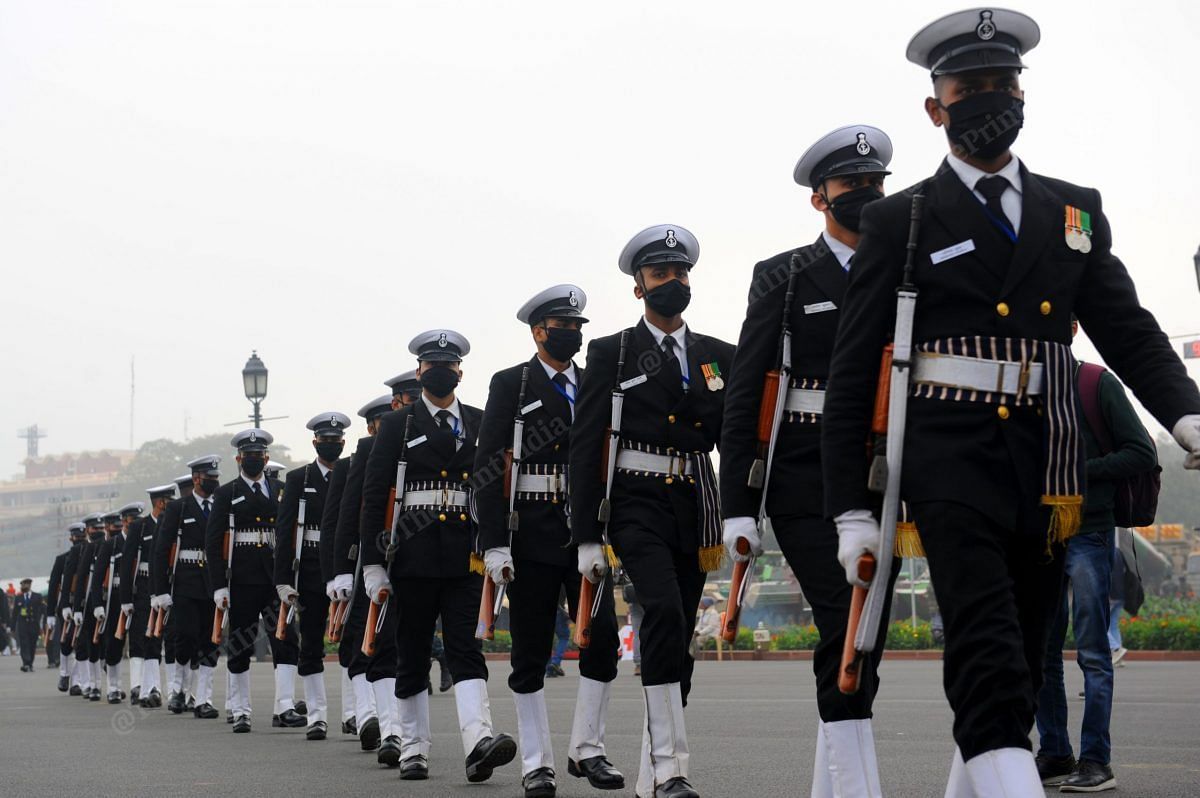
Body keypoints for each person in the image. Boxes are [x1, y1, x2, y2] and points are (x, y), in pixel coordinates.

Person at [820, 8, 1200, 794]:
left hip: (1050, 460)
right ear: (936, 106)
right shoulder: (902, 219)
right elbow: (854, 372)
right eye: (971, 86)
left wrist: (1186, 413)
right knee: (987, 644)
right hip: (946, 454)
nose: (991, 99)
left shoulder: (1074, 208)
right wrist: (850, 509)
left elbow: (1127, 329)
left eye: (1004, 83)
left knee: (1027, 654)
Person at [720, 123, 897, 796]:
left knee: (867, 631)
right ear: (819, 198)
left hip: (880, 471)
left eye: (874, 184)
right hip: (800, 476)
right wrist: (737, 502)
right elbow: (746, 394)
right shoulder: (784, 275)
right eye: (851, 186)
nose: (865, 195)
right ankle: (857, 787)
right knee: (839, 615)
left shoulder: (901, 266)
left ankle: (836, 782)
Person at [570, 224, 736, 798]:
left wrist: (743, 514)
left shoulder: (718, 356)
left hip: (695, 504)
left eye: (680, 272)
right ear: (639, 287)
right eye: (661, 274)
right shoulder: (611, 352)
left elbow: (734, 441)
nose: (674, 282)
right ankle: (672, 767)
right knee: (661, 610)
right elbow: (587, 443)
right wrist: (587, 534)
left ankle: (651, 774)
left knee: (679, 636)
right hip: (634, 500)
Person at [476, 283, 623, 797]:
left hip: (587, 530)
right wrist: (493, 542)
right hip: (532, 531)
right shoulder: (512, 384)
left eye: (577, 327)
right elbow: (489, 467)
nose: (572, 335)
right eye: (562, 327)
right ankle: (536, 762)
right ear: (538, 332)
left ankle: (588, 748)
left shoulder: (596, 382)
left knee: (602, 639)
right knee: (531, 649)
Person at [360, 329, 517, 783]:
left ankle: (478, 743)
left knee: (466, 648)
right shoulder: (398, 425)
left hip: (465, 555)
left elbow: (490, 488)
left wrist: (494, 545)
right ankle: (413, 748)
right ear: (419, 372)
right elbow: (375, 496)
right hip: (411, 554)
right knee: (410, 650)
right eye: (432, 365)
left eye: (448, 365)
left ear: (460, 372)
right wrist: (372, 562)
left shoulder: (479, 420)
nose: (441, 371)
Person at [1036, 320, 1155, 791]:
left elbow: (1141, 452)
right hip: (1039, 537)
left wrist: (1075, 474)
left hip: (1089, 532)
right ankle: (1056, 754)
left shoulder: (1095, 382)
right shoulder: (1021, 389)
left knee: (1092, 652)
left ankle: (1096, 761)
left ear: (1070, 327)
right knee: (1041, 653)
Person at [205, 429, 301, 733]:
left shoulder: (281, 489)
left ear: (267, 458)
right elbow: (213, 542)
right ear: (238, 459)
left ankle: (284, 707)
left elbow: (288, 534)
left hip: (275, 576)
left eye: (258, 455)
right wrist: (219, 585)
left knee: (285, 638)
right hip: (243, 576)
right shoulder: (227, 493)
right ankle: (241, 709)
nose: (253, 459)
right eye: (248, 455)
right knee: (240, 643)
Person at [274, 411, 351, 741]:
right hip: (309, 569)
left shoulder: (350, 474)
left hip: (343, 565)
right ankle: (317, 716)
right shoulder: (298, 479)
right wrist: (282, 580)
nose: (331, 445)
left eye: (337, 441)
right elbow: (284, 529)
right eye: (326, 441)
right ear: (315, 442)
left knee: (351, 644)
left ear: (343, 443)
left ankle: (354, 714)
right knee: (311, 642)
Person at [121, 485, 172, 707]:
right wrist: (125, 599)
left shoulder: (171, 522)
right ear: (160, 502)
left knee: (160, 639)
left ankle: (155, 689)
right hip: (143, 588)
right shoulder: (140, 527)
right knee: (143, 638)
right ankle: (142, 687)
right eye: (169, 500)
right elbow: (126, 564)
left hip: (166, 586)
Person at [71, 513, 107, 701]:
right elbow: (80, 581)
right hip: (91, 603)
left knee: (108, 645)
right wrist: (77, 608)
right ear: (88, 531)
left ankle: (111, 686)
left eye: (101, 528)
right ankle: (94, 684)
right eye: (95, 529)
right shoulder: (87, 549)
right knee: (92, 645)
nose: (99, 531)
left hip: (111, 600)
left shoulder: (112, 544)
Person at [49, 523, 85, 689]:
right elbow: (54, 587)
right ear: (71, 538)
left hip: (84, 604)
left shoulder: (90, 554)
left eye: (81, 537)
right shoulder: (62, 559)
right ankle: (64, 673)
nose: (79, 540)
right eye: (76, 537)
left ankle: (76, 681)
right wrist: (51, 612)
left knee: (80, 643)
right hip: (66, 605)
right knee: (66, 643)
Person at [13, 578, 44, 672]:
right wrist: (12, 626)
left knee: (32, 644)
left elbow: (42, 609)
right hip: (23, 625)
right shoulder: (19, 597)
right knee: (24, 644)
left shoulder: (37, 596)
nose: (23, 587)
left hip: (34, 624)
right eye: (22, 585)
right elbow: (15, 613)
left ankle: (30, 663)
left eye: (25, 585)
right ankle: (26, 663)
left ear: (29, 585)